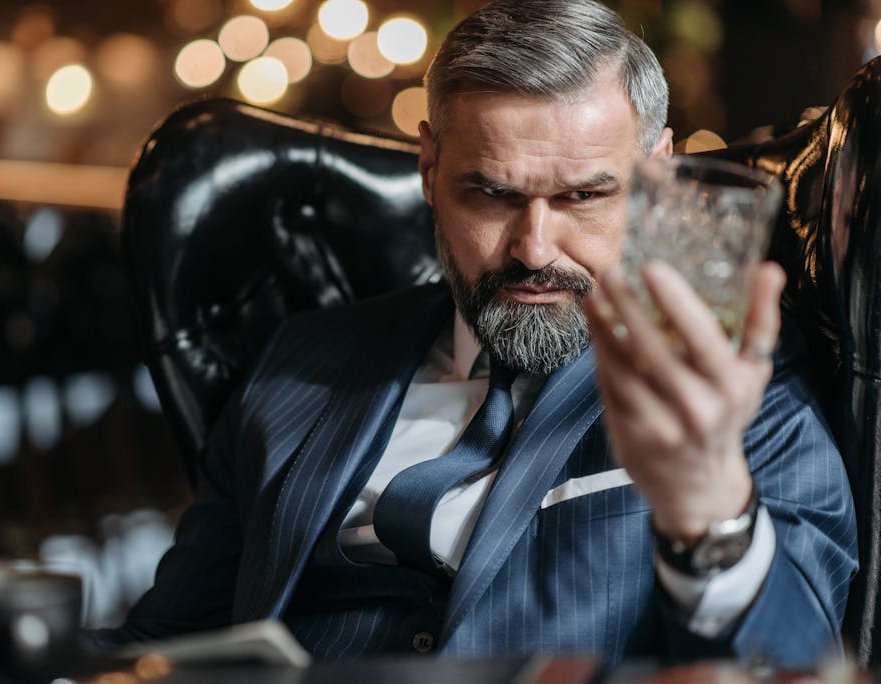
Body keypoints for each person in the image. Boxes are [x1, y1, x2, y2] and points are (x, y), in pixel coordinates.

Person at [90, 0, 856, 667]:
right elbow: (166, 639)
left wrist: (709, 510)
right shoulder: (301, 361)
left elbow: (794, 665)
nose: (533, 247)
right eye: (490, 194)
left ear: (659, 178)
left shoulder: (734, 385)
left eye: (583, 196)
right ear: (429, 168)